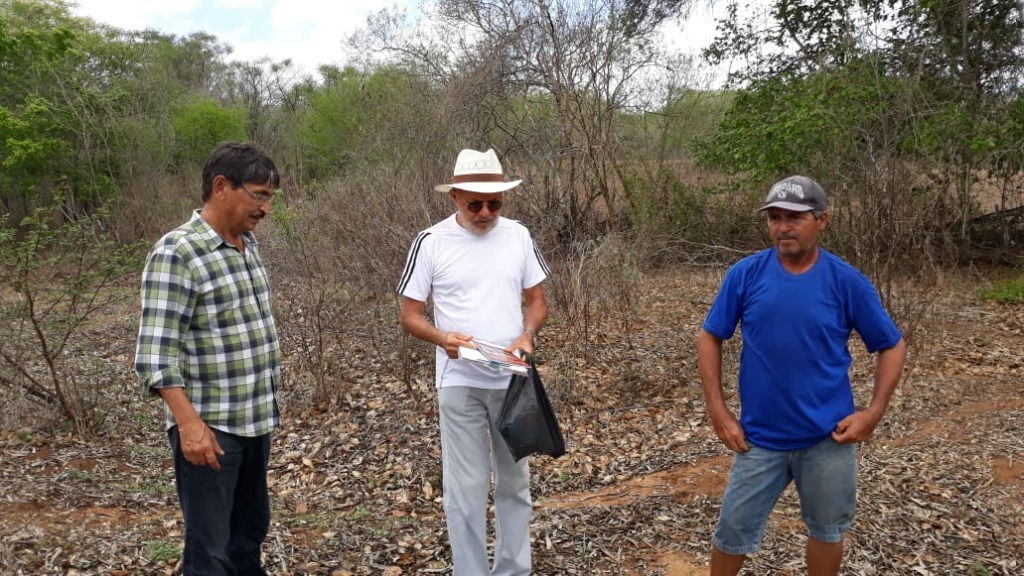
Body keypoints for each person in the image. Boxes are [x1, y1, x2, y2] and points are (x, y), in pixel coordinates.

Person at [697, 175, 907, 576]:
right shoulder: (746, 274)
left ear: (822, 221)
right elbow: (710, 336)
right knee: (732, 530)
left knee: (828, 531)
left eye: (794, 217)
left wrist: (873, 412)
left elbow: (891, 345)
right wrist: (718, 410)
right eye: (775, 218)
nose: (783, 227)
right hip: (759, 439)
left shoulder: (846, 281)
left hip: (828, 439)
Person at [397, 148, 550, 576]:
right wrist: (442, 337)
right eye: (475, 203)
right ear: (455, 197)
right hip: (459, 379)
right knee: (465, 488)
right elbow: (410, 315)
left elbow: (537, 301)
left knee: (515, 482)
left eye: (495, 203)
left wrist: (527, 334)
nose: (486, 212)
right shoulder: (430, 242)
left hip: (512, 380)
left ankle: (513, 570)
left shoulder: (518, 235)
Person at [135, 142, 282, 576]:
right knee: (210, 553)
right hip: (211, 430)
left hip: (254, 420)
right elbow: (156, 352)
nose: (265, 209)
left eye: (269, 198)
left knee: (248, 536)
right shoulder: (177, 252)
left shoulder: (246, 245)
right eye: (258, 195)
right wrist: (189, 425)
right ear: (221, 186)